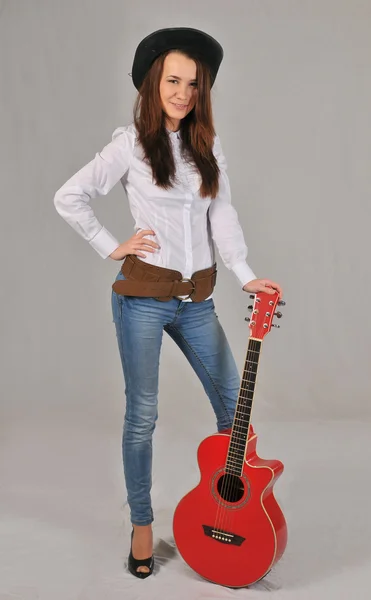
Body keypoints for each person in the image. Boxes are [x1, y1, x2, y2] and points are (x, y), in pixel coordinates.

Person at [54, 27, 283, 579]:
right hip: (144, 299)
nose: (183, 92)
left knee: (235, 410)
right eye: (173, 80)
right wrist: (112, 246)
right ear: (153, 84)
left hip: (197, 300)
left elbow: (221, 213)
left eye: (193, 83)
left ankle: (231, 516)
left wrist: (245, 273)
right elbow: (70, 195)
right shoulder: (130, 143)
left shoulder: (208, 146)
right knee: (144, 417)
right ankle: (141, 524)